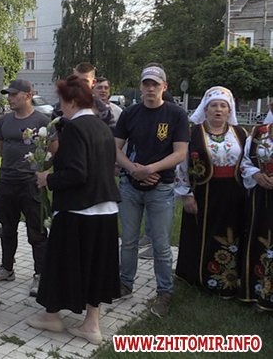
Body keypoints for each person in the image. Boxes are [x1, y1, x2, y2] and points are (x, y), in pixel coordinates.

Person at [27, 76, 121, 345]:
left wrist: (48, 179)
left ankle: (52, 316)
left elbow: (77, 173)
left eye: (61, 101)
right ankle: (91, 323)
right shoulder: (103, 127)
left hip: (78, 210)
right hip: (105, 209)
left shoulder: (74, 129)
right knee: (96, 267)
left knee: (61, 263)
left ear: (71, 102)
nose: (60, 107)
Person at [114, 64, 189, 318]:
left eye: (155, 84)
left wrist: (150, 169)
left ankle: (164, 292)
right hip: (130, 186)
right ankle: (125, 283)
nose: (150, 88)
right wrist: (133, 168)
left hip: (162, 187)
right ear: (140, 86)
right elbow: (115, 148)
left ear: (164, 87)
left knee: (161, 244)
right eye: (146, 83)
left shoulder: (176, 115)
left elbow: (180, 153)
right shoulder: (130, 113)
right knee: (129, 240)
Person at [174, 86, 246, 298]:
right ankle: (198, 277)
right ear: (205, 109)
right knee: (201, 233)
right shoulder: (193, 133)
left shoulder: (240, 133)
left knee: (231, 233)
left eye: (223, 106)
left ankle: (227, 280)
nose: (218, 110)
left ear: (229, 110)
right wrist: (186, 194)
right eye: (213, 105)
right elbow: (181, 165)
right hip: (203, 194)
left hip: (235, 194)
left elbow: (248, 161)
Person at [0, 79, 50, 297]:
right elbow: (1, 148)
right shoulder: (5, 121)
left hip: (31, 184)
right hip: (7, 181)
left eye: (14, 94)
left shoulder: (42, 121)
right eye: (8, 94)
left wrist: (41, 171)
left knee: (37, 230)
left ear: (28, 95)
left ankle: (40, 274)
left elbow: (54, 150)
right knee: (7, 227)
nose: (9, 98)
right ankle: (7, 268)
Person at [240, 101, 273, 310]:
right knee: (260, 238)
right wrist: (256, 174)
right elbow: (244, 162)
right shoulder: (259, 133)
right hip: (261, 196)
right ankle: (257, 291)